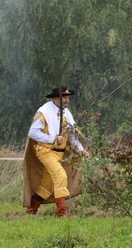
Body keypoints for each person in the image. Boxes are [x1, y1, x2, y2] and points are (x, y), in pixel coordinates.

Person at [24, 87, 89, 217]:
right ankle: (62, 212)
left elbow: (72, 135)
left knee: (47, 185)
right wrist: (52, 138)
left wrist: (81, 150)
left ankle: (31, 211)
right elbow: (33, 132)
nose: (67, 100)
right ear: (55, 98)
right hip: (45, 151)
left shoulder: (66, 113)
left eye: (67, 97)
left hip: (58, 153)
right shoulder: (43, 112)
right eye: (64, 98)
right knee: (60, 176)